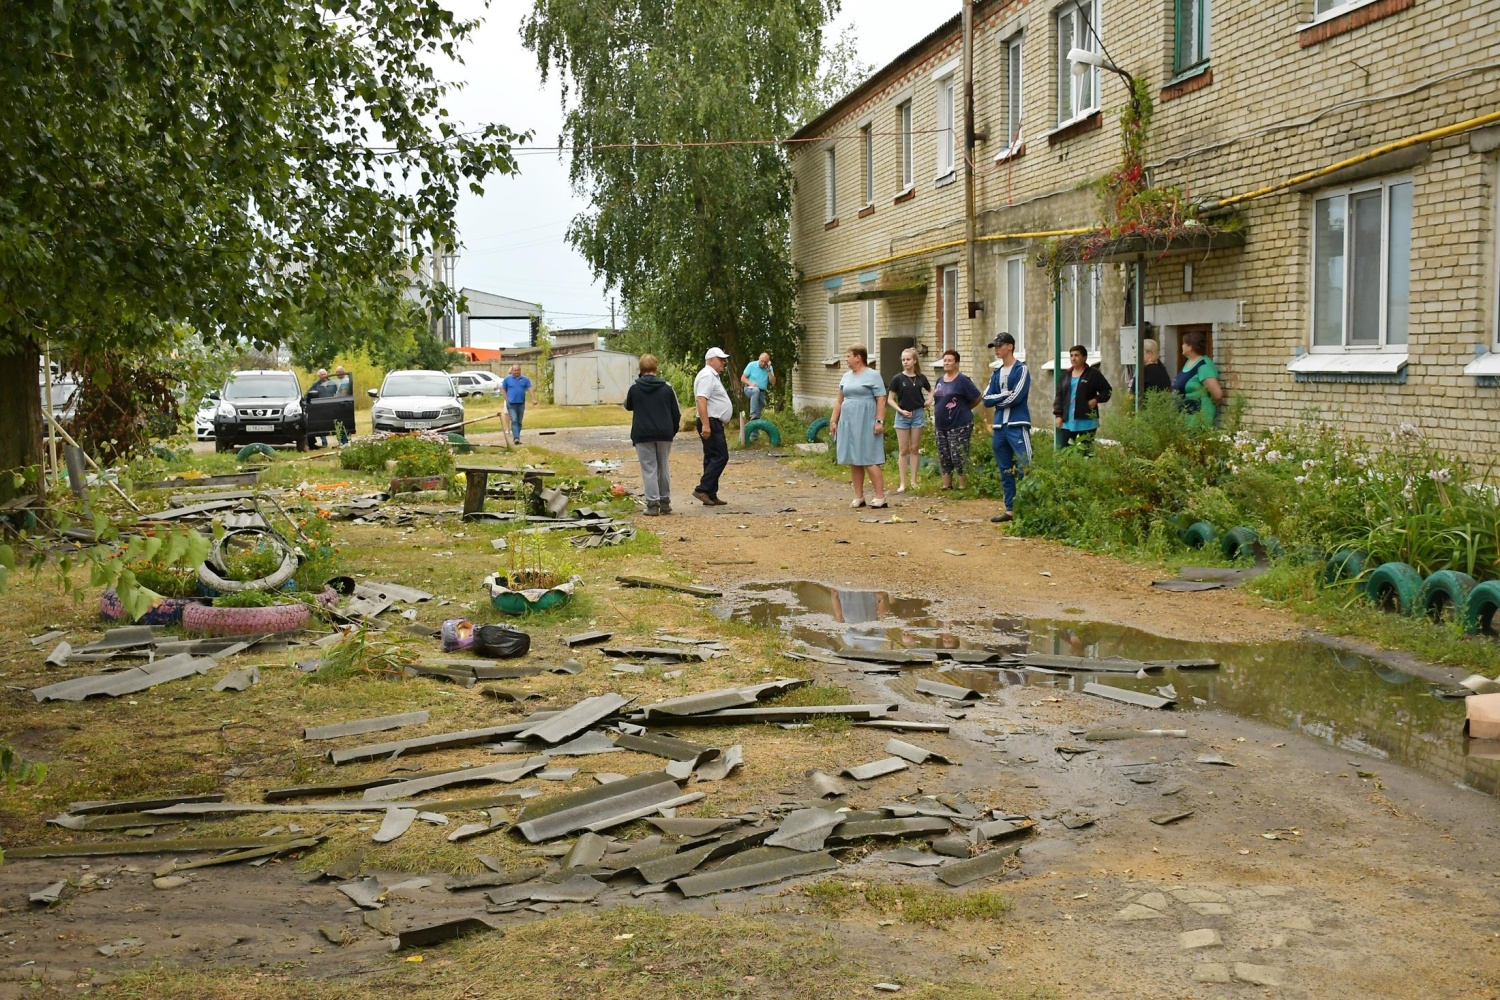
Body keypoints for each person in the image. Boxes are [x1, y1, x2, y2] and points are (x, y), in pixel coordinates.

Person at [830, 345, 889, 508]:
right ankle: (859, 496)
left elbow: (881, 400)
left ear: (858, 357)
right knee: (853, 458)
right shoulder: (846, 376)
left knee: (869, 456)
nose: (846, 358)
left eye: (848, 355)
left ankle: (880, 496)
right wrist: (834, 420)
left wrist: (879, 421)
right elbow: (839, 400)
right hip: (848, 420)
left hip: (866, 419)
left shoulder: (873, 375)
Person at [623, 353, 681, 516]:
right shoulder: (667, 387)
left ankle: (652, 504)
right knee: (663, 466)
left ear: (640, 370)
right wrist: (672, 430)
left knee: (649, 468)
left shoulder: (634, 387)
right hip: (664, 433)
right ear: (656, 368)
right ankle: (665, 502)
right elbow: (676, 412)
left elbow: (628, 406)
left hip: (643, 434)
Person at [982, 333, 1031, 523]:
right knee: (1005, 468)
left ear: (1010, 347)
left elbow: (1017, 396)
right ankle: (1010, 509)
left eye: (1000, 345)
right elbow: (986, 399)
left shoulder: (1021, 369)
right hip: (999, 426)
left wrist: (999, 398)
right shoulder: (996, 373)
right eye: (995, 346)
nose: (997, 349)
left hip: (1017, 425)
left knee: (1024, 465)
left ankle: (1028, 507)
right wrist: (1004, 395)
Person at [930, 349, 981, 490]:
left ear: (956, 363)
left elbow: (977, 397)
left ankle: (963, 485)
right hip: (941, 425)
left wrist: (964, 408)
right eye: (945, 360)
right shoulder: (940, 380)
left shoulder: (962, 380)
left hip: (959, 424)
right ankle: (947, 484)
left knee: (957, 454)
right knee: (944, 455)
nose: (946, 363)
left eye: (950, 360)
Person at [692, 346, 733, 506]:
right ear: (711, 360)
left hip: (712, 421)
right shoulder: (707, 376)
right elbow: (701, 399)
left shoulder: (712, 376)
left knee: (711, 457)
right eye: (720, 359)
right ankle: (702, 489)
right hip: (710, 421)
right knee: (721, 456)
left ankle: (710, 493)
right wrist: (706, 425)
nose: (724, 362)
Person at [1052, 345, 1112, 449]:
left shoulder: (1093, 374)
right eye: (1071, 356)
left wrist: (1096, 400)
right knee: (1065, 451)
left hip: (1087, 421)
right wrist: (1058, 415)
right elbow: (1059, 396)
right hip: (1068, 421)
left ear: (1084, 358)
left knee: (1086, 452)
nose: (1073, 358)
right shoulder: (1065, 375)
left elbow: (1107, 390)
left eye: (1076, 355)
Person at [887, 347, 930, 494]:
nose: (905, 362)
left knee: (914, 448)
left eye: (908, 359)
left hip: (917, 413)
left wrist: (929, 400)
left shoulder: (921, 378)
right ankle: (902, 483)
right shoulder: (898, 379)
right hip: (903, 415)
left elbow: (932, 390)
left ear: (914, 360)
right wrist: (900, 410)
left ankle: (913, 481)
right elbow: (890, 399)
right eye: (903, 359)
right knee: (903, 450)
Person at [1173, 330, 1225, 428]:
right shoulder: (1189, 362)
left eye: (1184, 343)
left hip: (1199, 416)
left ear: (1190, 346)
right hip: (1186, 414)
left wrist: (1206, 406)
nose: (1182, 346)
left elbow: (1217, 395)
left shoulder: (1204, 365)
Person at [500, 364, 534, 445]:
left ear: (520, 370)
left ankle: (517, 435)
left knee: (519, 421)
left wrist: (534, 399)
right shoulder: (507, 379)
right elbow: (503, 389)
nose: (516, 372)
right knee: (514, 420)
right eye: (514, 370)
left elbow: (530, 388)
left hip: (521, 403)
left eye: (517, 370)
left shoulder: (525, 379)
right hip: (511, 404)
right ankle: (516, 438)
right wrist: (506, 399)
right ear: (512, 371)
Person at [739, 352, 776, 421]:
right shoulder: (751, 365)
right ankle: (752, 414)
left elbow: (773, 382)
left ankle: (754, 429)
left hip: (762, 392)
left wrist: (768, 370)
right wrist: (750, 383)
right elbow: (742, 378)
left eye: (765, 362)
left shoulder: (769, 368)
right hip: (750, 388)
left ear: (768, 362)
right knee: (756, 391)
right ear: (759, 358)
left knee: (757, 416)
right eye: (762, 361)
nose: (763, 364)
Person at [309, 368, 333, 448]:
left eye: (324, 374)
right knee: (321, 424)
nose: (323, 376)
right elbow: (311, 394)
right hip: (320, 407)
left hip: (333, 406)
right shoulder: (315, 384)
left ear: (327, 374)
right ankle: (324, 442)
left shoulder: (333, 383)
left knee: (335, 423)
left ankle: (341, 441)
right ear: (319, 376)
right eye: (321, 374)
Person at [331, 364, 352, 444]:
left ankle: (344, 441)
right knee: (339, 424)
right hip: (339, 404)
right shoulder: (341, 381)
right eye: (336, 372)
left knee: (341, 424)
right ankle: (342, 441)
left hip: (342, 405)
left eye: (338, 372)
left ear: (343, 372)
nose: (337, 373)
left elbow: (344, 394)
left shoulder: (345, 381)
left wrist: (338, 400)